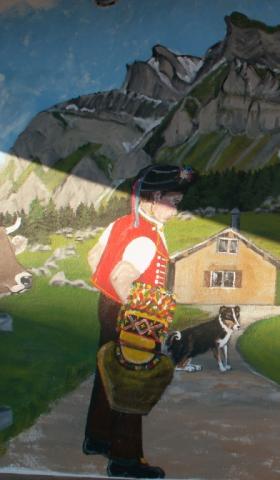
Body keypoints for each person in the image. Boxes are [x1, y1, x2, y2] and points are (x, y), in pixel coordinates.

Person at [82, 164, 196, 478]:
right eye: (173, 201)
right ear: (154, 197)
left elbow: (94, 258)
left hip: (108, 307)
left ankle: (98, 437)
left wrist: (110, 298)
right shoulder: (146, 238)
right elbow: (121, 277)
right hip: (134, 318)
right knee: (133, 384)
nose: (176, 208)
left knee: (107, 371)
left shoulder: (119, 224)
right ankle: (125, 460)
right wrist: (141, 315)